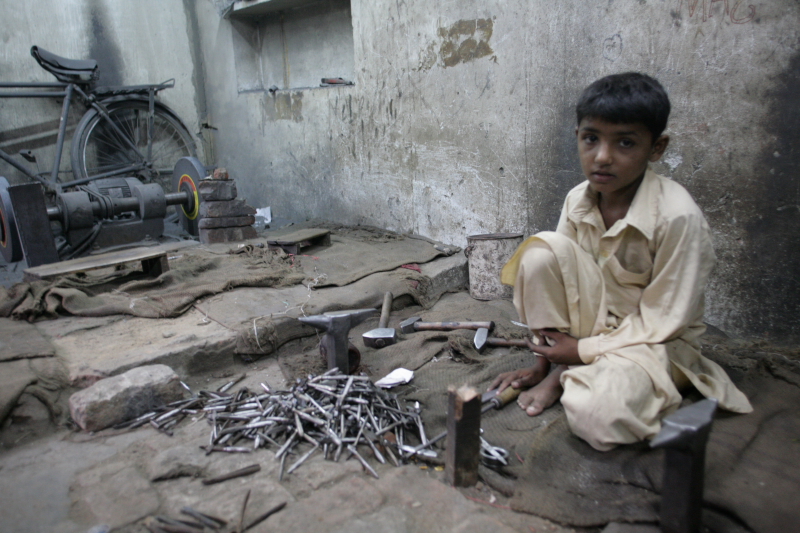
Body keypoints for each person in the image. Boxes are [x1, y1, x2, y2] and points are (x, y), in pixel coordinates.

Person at [488, 72, 752, 451]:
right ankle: (560, 371)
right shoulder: (578, 198)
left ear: (657, 147)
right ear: (577, 136)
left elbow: (661, 323)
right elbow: (560, 281)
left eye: (625, 142)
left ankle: (577, 374)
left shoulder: (678, 218)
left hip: (654, 343)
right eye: (590, 138)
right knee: (541, 252)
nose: (602, 157)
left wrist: (579, 352)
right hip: (589, 326)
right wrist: (542, 362)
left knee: (599, 416)